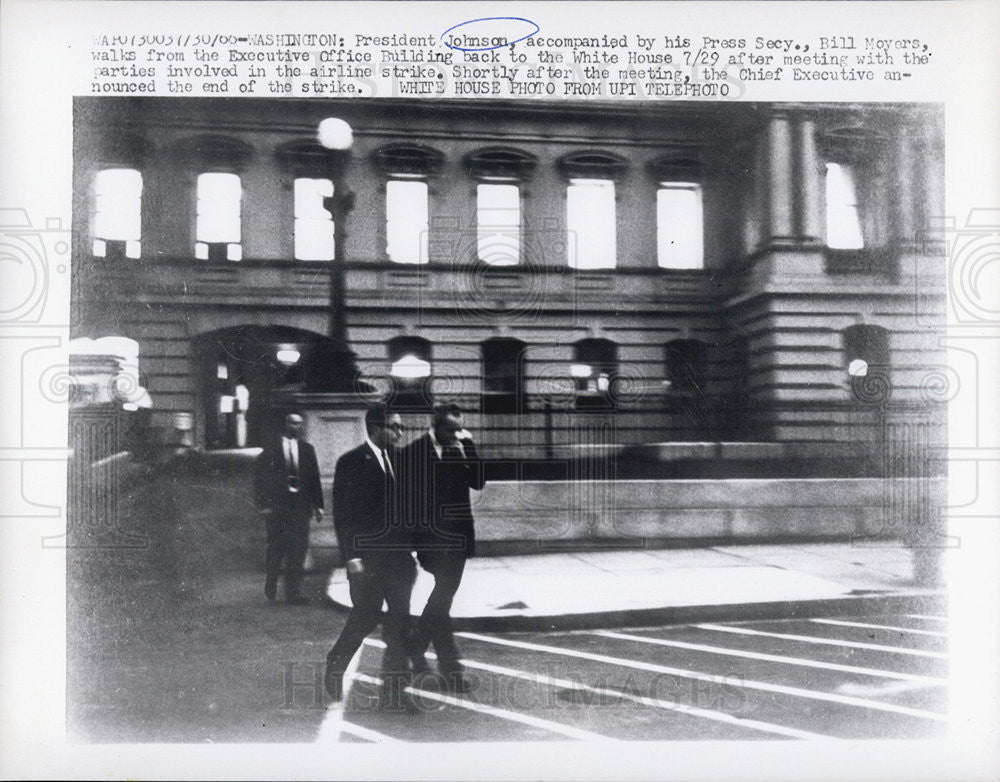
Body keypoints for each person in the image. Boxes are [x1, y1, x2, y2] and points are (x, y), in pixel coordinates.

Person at [324, 404, 417, 712]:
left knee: (400, 626)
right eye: (394, 427)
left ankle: (395, 694)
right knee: (365, 618)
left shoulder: (400, 460)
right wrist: (352, 558)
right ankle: (336, 661)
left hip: (400, 561)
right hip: (369, 561)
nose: (400, 432)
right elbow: (344, 516)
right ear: (376, 428)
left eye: (400, 427)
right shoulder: (351, 463)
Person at [401, 403, 485, 693]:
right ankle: (451, 670)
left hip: (458, 539)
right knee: (442, 598)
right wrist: (411, 543)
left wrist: (469, 446)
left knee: (442, 601)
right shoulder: (412, 453)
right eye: (450, 429)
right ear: (435, 425)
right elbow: (405, 502)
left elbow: (478, 482)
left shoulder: (458, 449)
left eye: (459, 429)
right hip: (430, 541)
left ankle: (414, 647)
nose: (455, 434)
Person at [253, 412, 324, 606]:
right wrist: (263, 505)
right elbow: (260, 478)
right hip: (278, 507)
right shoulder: (272, 450)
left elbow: (314, 478)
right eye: (293, 423)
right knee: (276, 546)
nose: (296, 427)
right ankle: (272, 579)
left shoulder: (307, 450)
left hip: (301, 507)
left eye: (300, 424)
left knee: (299, 548)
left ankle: (293, 592)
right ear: (286, 424)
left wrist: (318, 505)